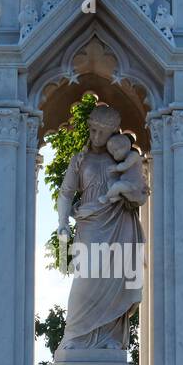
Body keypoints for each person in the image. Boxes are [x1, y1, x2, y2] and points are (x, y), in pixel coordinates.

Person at [56, 104, 147, 350]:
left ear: (113, 134)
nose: (95, 136)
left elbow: (140, 193)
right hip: (90, 224)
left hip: (120, 225)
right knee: (85, 279)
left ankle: (110, 339)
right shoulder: (80, 159)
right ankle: (74, 336)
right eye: (92, 130)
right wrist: (62, 222)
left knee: (116, 278)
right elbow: (66, 193)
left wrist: (129, 192)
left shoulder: (124, 159)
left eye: (101, 132)